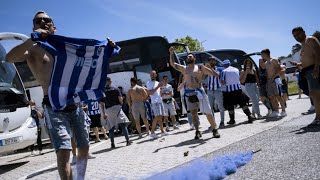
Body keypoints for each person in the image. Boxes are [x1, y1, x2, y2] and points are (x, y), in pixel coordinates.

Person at [6, 11, 119, 180]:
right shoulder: (32, 50)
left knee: (84, 147)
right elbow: (9, 58)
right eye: (39, 20)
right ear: (34, 26)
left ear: (54, 27)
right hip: (53, 106)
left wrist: (106, 50)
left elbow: (90, 60)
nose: (43, 22)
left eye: (47, 20)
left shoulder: (69, 49)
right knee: (64, 152)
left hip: (75, 104)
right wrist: (32, 38)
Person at [169, 47, 220, 139]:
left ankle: (214, 129)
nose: (189, 57)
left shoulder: (200, 67)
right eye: (188, 57)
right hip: (190, 93)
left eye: (191, 56)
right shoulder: (184, 69)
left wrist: (209, 68)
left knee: (208, 112)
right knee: (194, 113)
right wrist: (171, 53)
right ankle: (197, 131)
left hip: (200, 92)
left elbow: (215, 75)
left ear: (194, 58)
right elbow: (172, 64)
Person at [292, 26, 320, 126]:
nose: (297, 37)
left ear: (304, 32)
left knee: (316, 94)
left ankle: (318, 118)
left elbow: (318, 53)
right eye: (295, 36)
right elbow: (308, 59)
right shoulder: (303, 45)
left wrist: (317, 68)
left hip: (314, 70)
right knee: (314, 94)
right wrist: (299, 64)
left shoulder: (310, 39)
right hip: (307, 71)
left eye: (299, 34)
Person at [100, 77, 131, 148]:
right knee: (123, 125)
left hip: (108, 110)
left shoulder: (102, 91)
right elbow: (120, 99)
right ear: (110, 81)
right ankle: (128, 140)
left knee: (111, 127)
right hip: (117, 108)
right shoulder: (116, 89)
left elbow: (102, 103)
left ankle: (112, 143)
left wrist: (104, 113)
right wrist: (121, 104)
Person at [221, 60, 253, 124]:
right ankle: (249, 116)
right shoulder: (236, 69)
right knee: (242, 103)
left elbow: (222, 81)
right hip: (238, 89)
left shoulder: (224, 71)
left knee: (230, 105)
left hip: (229, 91)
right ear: (229, 64)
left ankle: (232, 120)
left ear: (224, 65)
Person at [261, 49, 287, 117]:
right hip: (269, 81)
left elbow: (279, 69)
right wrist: (268, 81)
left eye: (262, 54)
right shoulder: (266, 63)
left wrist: (273, 78)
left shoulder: (274, 60)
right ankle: (276, 111)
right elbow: (267, 73)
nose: (261, 56)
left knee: (278, 96)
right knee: (271, 97)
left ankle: (283, 111)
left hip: (276, 80)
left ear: (266, 54)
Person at [146, 70, 168, 139]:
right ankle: (152, 132)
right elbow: (150, 93)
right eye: (151, 74)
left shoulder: (157, 83)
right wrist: (158, 87)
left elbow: (159, 93)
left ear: (156, 75)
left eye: (153, 74)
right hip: (155, 102)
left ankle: (162, 131)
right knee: (157, 117)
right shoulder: (149, 83)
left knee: (160, 117)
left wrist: (162, 91)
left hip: (159, 101)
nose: (152, 75)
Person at [205, 57, 225, 127]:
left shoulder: (219, 69)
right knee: (210, 108)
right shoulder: (206, 69)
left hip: (217, 90)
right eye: (210, 61)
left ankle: (222, 122)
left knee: (220, 107)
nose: (211, 62)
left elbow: (217, 75)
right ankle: (213, 123)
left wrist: (210, 68)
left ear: (215, 62)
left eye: (213, 60)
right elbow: (203, 77)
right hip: (210, 90)